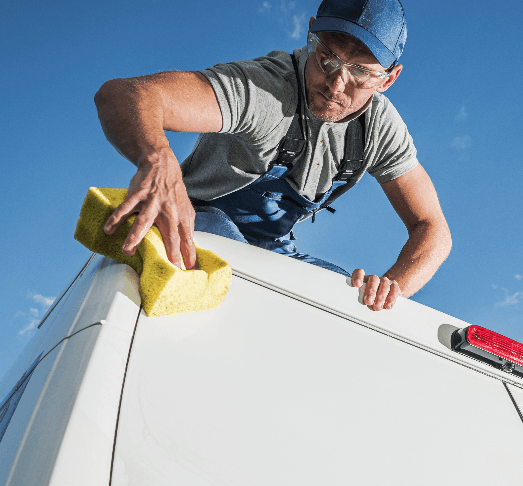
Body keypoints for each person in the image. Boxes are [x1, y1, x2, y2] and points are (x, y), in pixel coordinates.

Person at [93, 0, 450, 311]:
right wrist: (158, 163)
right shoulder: (264, 89)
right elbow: (123, 94)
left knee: (346, 305)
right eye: (327, 58)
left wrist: (392, 290)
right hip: (202, 220)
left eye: (360, 72)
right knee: (227, 266)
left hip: (277, 248)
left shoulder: (378, 129)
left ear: (388, 79)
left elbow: (432, 228)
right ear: (311, 35)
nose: (336, 84)